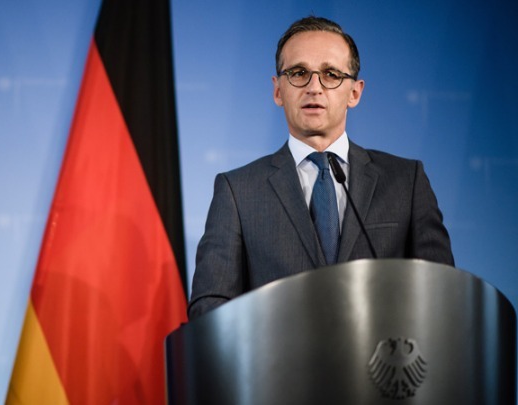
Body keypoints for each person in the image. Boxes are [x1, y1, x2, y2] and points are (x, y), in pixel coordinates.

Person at [188, 16, 454, 320]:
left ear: (355, 92)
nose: (314, 87)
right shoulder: (238, 191)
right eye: (299, 73)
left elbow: (443, 293)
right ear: (278, 91)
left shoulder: (406, 182)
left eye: (330, 74)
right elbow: (210, 308)